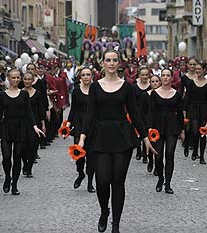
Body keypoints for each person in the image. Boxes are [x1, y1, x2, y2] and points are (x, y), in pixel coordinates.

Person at [78, 49, 157, 233]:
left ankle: (116, 224)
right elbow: (89, 114)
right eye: (108, 60)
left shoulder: (127, 86)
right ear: (103, 63)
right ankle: (104, 211)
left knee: (118, 181)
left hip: (122, 137)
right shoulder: (95, 87)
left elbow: (135, 113)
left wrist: (145, 138)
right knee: (103, 180)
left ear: (119, 63)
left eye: (115, 60)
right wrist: (82, 138)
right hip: (100, 136)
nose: (112, 63)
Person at [0, 69, 44, 195]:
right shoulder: (2, 95)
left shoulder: (24, 94)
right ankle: (7, 178)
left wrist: (34, 126)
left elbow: (29, 112)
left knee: (17, 157)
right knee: (6, 157)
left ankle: (15, 184)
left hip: (21, 127)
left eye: (18, 78)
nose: (16, 80)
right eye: (13, 77)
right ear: (8, 78)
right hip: (6, 127)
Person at [148, 68, 184, 194]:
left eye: (168, 75)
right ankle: (160, 178)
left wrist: (182, 130)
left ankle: (168, 183)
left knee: (170, 154)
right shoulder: (154, 93)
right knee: (158, 156)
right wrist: (149, 128)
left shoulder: (177, 94)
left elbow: (180, 113)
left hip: (172, 126)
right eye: (163, 75)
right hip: (157, 126)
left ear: (171, 78)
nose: (165, 78)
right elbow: (151, 113)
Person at [66, 67, 95, 193]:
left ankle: (90, 183)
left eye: (88, 74)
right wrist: (68, 123)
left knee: (91, 156)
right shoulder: (76, 91)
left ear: (92, 76)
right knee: (79, 153)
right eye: (83, 75)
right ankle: (80, 173)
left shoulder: (96, 90)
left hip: (93, 124)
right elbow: (73, 109)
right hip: (79, 123)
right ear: (80, 77)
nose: (86, 77)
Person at [185, 62, 207, 164]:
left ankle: (202, 156)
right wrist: (185, 111)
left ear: (204, 70)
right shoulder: (191, 83)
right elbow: (187, 96)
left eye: (199, 69)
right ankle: (195, 150)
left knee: (203, 133)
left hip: (204, 108)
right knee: (195, 131)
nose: (197, 71)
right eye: (196, 69)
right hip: (193, 108)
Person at [22, 72, 46, 178]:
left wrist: (43, 123)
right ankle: (25, 164)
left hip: (35, 122)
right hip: (22, 122)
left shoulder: (37, 94)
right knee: (22, 147)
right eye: (25, 79)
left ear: (33, 81)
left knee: (32, 146)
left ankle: (29, 168)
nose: (27, 81)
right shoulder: (20, 93)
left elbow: (41, 110)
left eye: (29, 79)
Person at [141, 75, 161, 174]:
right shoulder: (146, 95)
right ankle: (150, 161)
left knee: (157, 145)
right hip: (147, 122)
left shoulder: (163, 94)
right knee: (149, 143)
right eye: (152, 81)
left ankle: (157, 165)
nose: (155, 83)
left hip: (159, 121)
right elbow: (143, 110)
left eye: (157, 81)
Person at [132, 65, 151, 163]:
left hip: (148, 112)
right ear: (139, 75)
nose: (144, 77)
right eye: (143, 75)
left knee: (146, 132)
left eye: (146, 75)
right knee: (137, 132)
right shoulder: (134, 87)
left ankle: (145, 154)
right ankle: (138, 150)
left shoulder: (151, 85)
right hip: (137, 112)